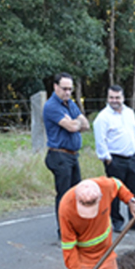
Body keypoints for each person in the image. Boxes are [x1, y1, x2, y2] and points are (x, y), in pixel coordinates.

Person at [93, 85, 135, 233]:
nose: (114, 100)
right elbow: (100, 140)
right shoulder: (103, 117)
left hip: (132, 157)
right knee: (115, 193)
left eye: (117, 97)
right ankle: (116, 221)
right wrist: (106, 158)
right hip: (115, 159)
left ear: (123, 98)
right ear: (107, 98)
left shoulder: (129, 112)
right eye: (111, 97)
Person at [43, 72, 90, 237]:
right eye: (64, 89)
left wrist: (74, 122)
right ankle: (63, 231)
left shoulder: (70, 104)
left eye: (70, 89)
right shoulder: (52, 106)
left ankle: (74, 227)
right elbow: (72, 127)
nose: (67, 92)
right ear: (55, 87)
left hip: (72, 155)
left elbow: (86, 125)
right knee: (64, 195)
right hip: (59, 155)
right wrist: (75, 123)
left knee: (76, 194)